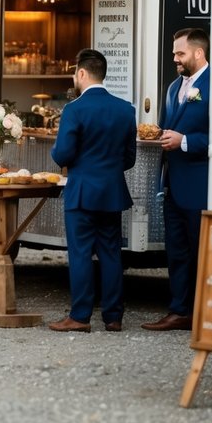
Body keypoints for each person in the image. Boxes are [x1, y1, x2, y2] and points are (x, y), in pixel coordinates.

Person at [48, 49, 137, 333]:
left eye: (75, 73)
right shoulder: (126, 109)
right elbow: (129, 159)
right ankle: (113, 317)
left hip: (82, 192)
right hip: (111, 191)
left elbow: (62, 154)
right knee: (111, 253)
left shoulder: (74, 109)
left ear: (82, 74)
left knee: (81, 253)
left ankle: (80, 316)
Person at [142, 27, 210, 331]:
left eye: (180, 53)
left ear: (198, 53)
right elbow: (172, 125)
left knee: (201, 252)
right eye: (174, 54)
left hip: (201, 184)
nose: (175, 59)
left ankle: (205, 314)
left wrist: (184, 141)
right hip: (171, 184)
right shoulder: (172, 88)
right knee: (177, 251)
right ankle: (179, 310)